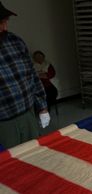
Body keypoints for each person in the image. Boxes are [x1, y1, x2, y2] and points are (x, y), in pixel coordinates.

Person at [0, 2, 50, 149]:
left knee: (34, 156)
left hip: (27, 114)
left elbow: (32, 76)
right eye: (0, 23)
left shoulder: (15, 41)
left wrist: (42, 107)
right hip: (3, 123)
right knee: (9, 167)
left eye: (5, 21)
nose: (5, 28)